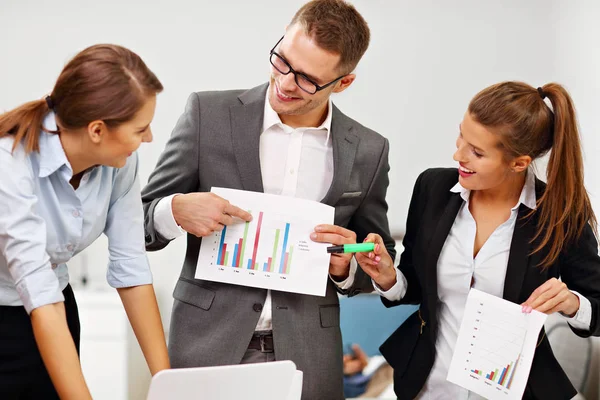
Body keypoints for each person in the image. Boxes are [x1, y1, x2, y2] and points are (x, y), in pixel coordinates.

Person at [141, 1, 395, 398]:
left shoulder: (368, 149)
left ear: (343, 83)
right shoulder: (208, 114)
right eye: (282, 60)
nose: (287, 82)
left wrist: (347, 269)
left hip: (309, 355)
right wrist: (173, 211)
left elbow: (376, 252)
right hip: (207, 345)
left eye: (308, 79)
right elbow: (137, 223)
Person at [356, 81, 600, 399]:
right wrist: (388, 277)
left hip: (516, 389)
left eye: (477, 152)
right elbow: (415, 287)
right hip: (428, 386)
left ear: (519, 163)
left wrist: (571, 303)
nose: (458, 154)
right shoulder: (432, 189)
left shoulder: (561, 212)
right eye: (462, 135)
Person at [0, 44, 170, 399]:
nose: (148, 138)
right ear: (96, 130)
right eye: (141, 129)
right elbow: (36, 288)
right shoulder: (10, 163)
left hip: (55, 310)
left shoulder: (119, 164)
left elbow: (132, 268)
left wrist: (169, 385)